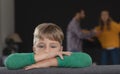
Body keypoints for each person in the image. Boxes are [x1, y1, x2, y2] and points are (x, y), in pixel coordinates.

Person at [4, 23, 92, 70]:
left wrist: (50, 62)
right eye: (41, 46)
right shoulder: (29, 60)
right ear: (34, 49)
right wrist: (46, 56)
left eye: (53, 46)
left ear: (60, 49)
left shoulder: (62, 59)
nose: (47, 50)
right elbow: (9, 62)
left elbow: (87, 59)